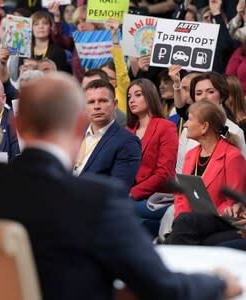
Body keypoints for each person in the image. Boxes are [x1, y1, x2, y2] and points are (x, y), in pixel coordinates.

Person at [0, 72, 242, 300]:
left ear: (17, 126)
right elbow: (160, 285)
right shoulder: (96, 199)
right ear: (78, 126)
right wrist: (218, 282)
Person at [165, 100, 246, 245]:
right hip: (192, 222)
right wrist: (180, 220)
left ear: (204, 127)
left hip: (221, 220)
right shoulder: (190, 155)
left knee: (183, 228)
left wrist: (207, 213)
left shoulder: (232, 156)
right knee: (183, 225)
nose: (185, 124)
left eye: (189, 119)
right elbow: (181, 197)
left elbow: (234, 202)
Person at [127, 78, 178, 237]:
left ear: (149, 96)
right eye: (129, 97)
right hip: (132, 194)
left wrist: (132, 193)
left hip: (156, 197)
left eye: (137, 95)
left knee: (112, 208)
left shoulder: (165, 126)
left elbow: (165, 173)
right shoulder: (128, 130)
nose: (132, 100)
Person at [74, 79, 141, 191]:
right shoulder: (74, 134)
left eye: (103, 101)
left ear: (115, 104)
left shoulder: (127, 142)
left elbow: (117, 190)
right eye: (91, 102)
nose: (96, 106)